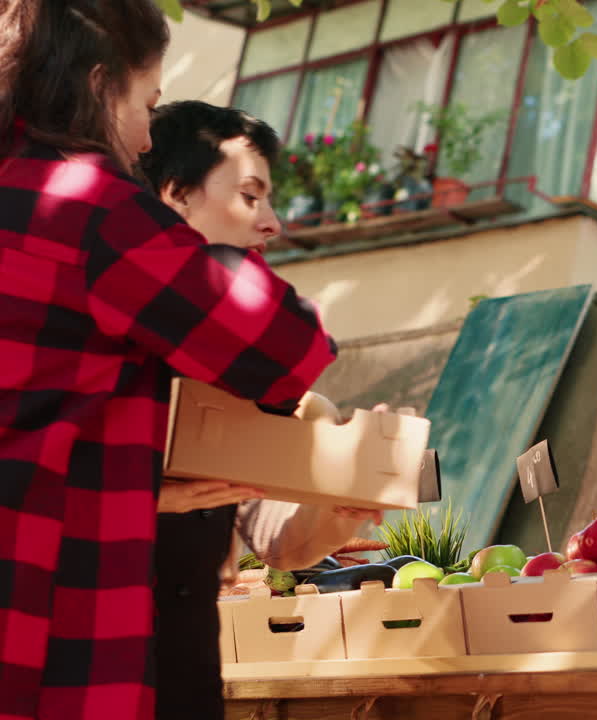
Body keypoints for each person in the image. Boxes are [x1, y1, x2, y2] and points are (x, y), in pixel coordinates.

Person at [0, 3, 336, 718]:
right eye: (146, 103)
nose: (148, 135)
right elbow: (289, 346)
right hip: (47, 648)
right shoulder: (96, 212)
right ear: (98, 85)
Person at [139, 100, 383, 719]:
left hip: (184, 682)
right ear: (174, 195)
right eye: (250, 196)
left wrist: (337, 508)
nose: (272, 223)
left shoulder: (234, 364)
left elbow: (278, 540)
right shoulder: (85, 339)